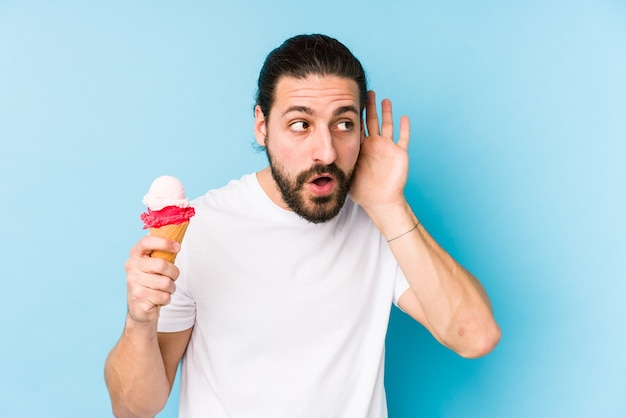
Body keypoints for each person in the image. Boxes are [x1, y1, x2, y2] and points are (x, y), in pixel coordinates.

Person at [104, 33, 501, 418]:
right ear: (262, 126)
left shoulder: (379, 223)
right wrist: (139, 320)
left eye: (343, 124)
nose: (326, 152)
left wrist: (390, 204)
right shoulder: (201, 228)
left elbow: (475, 336)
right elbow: (134, 409)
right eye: (300, 124)